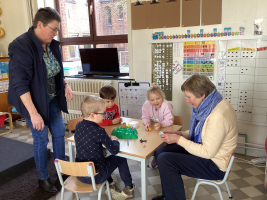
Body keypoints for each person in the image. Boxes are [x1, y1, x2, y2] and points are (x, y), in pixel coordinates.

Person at [8, 7, 73, 193]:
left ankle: (62, 169)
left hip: (51, 99)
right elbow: (20, 84)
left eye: (57, 30)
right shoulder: (20, 46)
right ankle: (43, 179)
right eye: (53, 29)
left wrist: (66, 85)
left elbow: (55, 69)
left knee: (60, 133)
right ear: (39, 24)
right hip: (32, 102)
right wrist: (33, 113)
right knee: (41, 139)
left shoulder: (52, 44)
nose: (55, 33)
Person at [151, 74, 238, 200]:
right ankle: (168, 195)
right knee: (160, 151)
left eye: (189, 97)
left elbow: (207, 152)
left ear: (202, 94)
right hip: (209, 153)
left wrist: (178, 140)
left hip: (215, 165)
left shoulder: (218, 116)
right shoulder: (211, 103)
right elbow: (202, 132)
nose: (187, 100)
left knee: (166, 160)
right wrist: (180, 134)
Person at [75, 95, 135, 199]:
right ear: (93, 115)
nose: (104, 116)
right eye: (103, 113)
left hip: (80, 174)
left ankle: (110, 183)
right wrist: (114, 140)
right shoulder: (99, 131)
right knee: (120, 158)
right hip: (96, 176)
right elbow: (114, 150)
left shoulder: (78, 125)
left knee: (100, 156)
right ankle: (129, 187)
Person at [142, 85, 174, 168]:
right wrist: (147, 123)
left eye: (158, 98)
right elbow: (145, 117)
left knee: (161, 144)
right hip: (154, 130)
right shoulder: (146, 105)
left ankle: (156, 158)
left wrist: (161, 124)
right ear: (149, 100)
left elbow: (170, 120)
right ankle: (149, 156)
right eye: (152, 100)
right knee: (149, 140)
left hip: (165, 128)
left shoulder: (166, 105)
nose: (155, 101)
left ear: (162, 96)